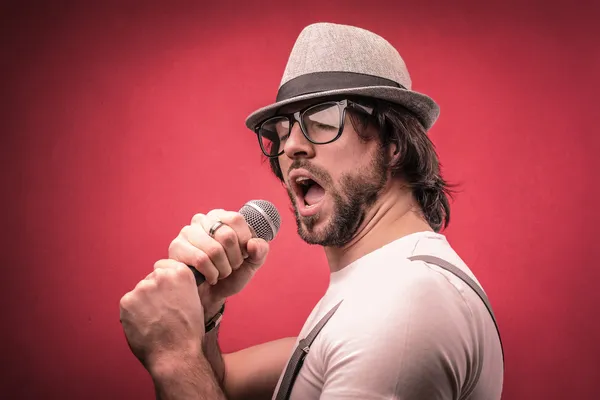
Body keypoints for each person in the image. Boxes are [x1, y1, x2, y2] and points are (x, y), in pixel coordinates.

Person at [119, 22, 504, 399]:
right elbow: (217, 382)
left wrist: (173, 357)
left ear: (394, 144)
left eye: (322, 120)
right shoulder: (374, 292)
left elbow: (189, 376)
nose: (291, 147)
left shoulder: (402, 306)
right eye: (282, 129)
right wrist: (202, 313)